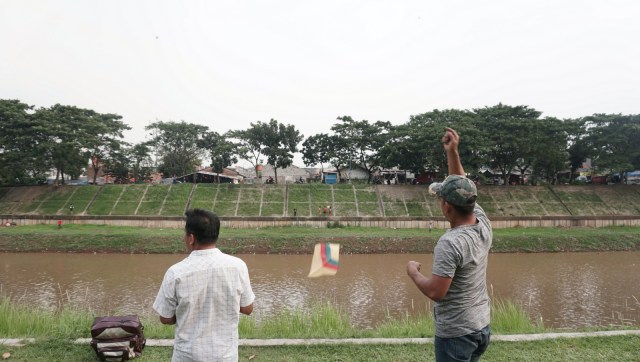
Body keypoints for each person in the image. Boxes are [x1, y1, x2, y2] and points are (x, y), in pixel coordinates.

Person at [406, 127, 492, 362]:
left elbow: (436, 291)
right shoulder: (482, 221)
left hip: (456, 334)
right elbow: (461, 184)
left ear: (446, 206)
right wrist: (452, 152)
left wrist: (413, 272)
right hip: (481, 326)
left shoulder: (450, 243)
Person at [153, 209, 255, 361]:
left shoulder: (176, 272)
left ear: (191, 238)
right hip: (225, 356)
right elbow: (247, 308)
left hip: (187, 356)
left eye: (185, 234)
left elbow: (165, 318)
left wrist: (186, 312)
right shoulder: (238, 266)